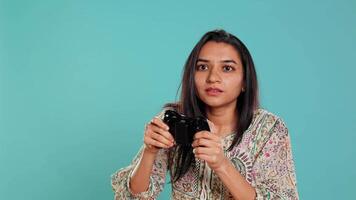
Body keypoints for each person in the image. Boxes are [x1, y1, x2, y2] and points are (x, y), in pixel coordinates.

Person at [110, 29, 299, 200]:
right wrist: (149, 151)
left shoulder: (269, 129)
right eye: (202, 67)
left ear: (245, 82)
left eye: (227, 68)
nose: (213, 78)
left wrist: (222, 165)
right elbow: (132, 197)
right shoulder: (175, 121)